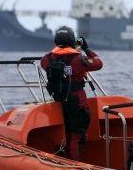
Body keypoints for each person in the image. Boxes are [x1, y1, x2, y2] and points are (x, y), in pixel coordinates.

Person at [40, 26, 103, 161]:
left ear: (56, 41)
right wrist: (86, 48)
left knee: (66, 133)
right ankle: (76, 166)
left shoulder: (46, 60)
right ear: (72, 40)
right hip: (77, 104)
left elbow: (57, 62)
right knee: (77, 136)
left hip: (58, 103)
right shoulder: (78, 59)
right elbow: (98, 63)